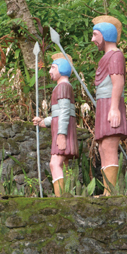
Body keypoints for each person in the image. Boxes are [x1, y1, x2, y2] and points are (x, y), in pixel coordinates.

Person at [91, 15, 127, 195]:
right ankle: (108, 190)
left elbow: (118, 82)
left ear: (105, 35)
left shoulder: (115, 55)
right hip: (103, 104)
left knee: (110, 145)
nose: (93, 40)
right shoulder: (106, 56)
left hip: (110, 103)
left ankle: (111, 192)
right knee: (103, 146)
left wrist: (114, 108)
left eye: (95, 35)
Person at [33, 54, 79, 196]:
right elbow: (58, 114)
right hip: (61, 129)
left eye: (53, 68)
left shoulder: (63, 87)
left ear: (62, 69)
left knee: (54, 164)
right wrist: (44, 122)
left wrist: (61, 134)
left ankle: (61, 198)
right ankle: (65, 196)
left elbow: (64, 112)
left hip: (63, 131)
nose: (50, 71)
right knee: (63, 165)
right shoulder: (62, 87)